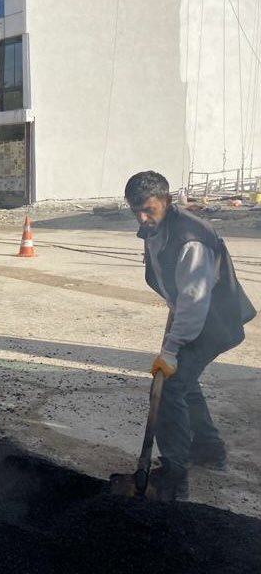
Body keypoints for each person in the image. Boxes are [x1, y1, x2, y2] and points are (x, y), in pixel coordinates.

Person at [124, 171, 256, 500]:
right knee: (184, 382)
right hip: (197, 315)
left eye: (149, 210)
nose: (142, 217)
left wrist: (171, 348)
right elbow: (178, 291)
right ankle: (208, 449)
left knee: (169, 388)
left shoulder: (190, 238)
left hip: (213, 321)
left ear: (167, 202)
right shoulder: (158, 229)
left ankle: (174, 475)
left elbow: (195, 302)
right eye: (135, 210)